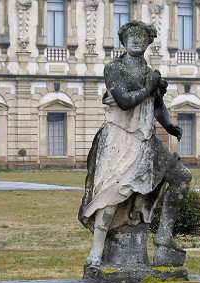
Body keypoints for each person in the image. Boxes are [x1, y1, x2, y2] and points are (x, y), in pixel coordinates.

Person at [78, 21, 191, 267]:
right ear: (123, 40)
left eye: (142, 36)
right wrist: (150, 86)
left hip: (145, 138)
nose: (136, 39)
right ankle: (96, 254)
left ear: (149, 42)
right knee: (111, 197)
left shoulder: (150, 72)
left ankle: (163, 241)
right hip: (120, 137)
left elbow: (156, 106)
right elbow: (125, 100)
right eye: (131, 35)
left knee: (181, 177)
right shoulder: (114, 69)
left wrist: (169, 124)